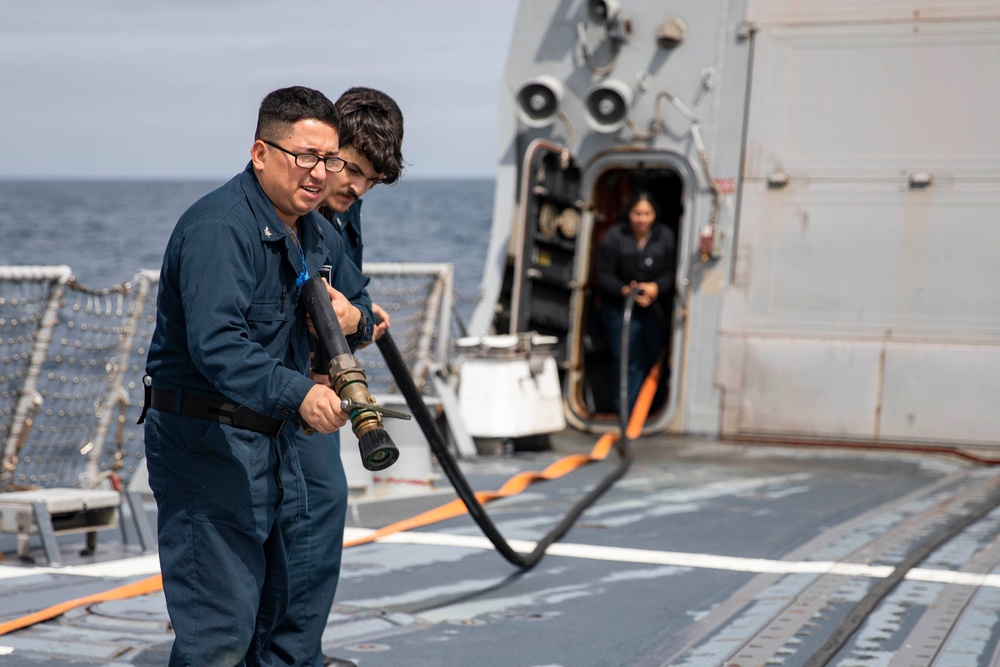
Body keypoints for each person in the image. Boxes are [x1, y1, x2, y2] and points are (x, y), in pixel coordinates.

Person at [142, 85, 374, 666]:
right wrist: (303, 394)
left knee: (267, 617)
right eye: (304, 156)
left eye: (330, 159)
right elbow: (218, 346)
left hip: (271, 447)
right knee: (218, 632)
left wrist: (357, 320)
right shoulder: (219, 228)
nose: (319, 172)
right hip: (207, 449)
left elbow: (359, 308)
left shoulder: (313, 230)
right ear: (260, 153)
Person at [268, 87, 404, 667]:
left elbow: (356, 295)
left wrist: (357, 316)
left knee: (314, 513)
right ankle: (286, 657)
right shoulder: (293, 213)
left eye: (370, 179)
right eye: (350, 168)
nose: (354, 186)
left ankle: (294, 654)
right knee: (310, 510)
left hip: (313, 392)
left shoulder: (341, 216)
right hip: (284, 393)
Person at [594, 190, 676, 414]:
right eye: (637, 213)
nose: (642, 219)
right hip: (621, 309)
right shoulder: (614, 237)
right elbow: (603, 275)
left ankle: (653, 410)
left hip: (654, 310)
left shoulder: (665, 237)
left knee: (654, 358)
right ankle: (625, 412)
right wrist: (625, 291)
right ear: (628, 214)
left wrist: (656, 287)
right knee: (627, 361)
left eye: (647, 213)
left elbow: (671, 272)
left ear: (654, 215)